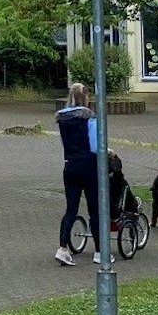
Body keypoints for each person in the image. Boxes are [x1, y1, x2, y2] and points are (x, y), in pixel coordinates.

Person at [54, 83, 100, 267]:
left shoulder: (62, 120)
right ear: (86, 97)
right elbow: (96, 147)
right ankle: (99, 252)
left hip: (70, 165)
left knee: (71, 209)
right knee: (95, 210)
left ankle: (63, 248)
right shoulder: (90, 118)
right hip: (88, 166)